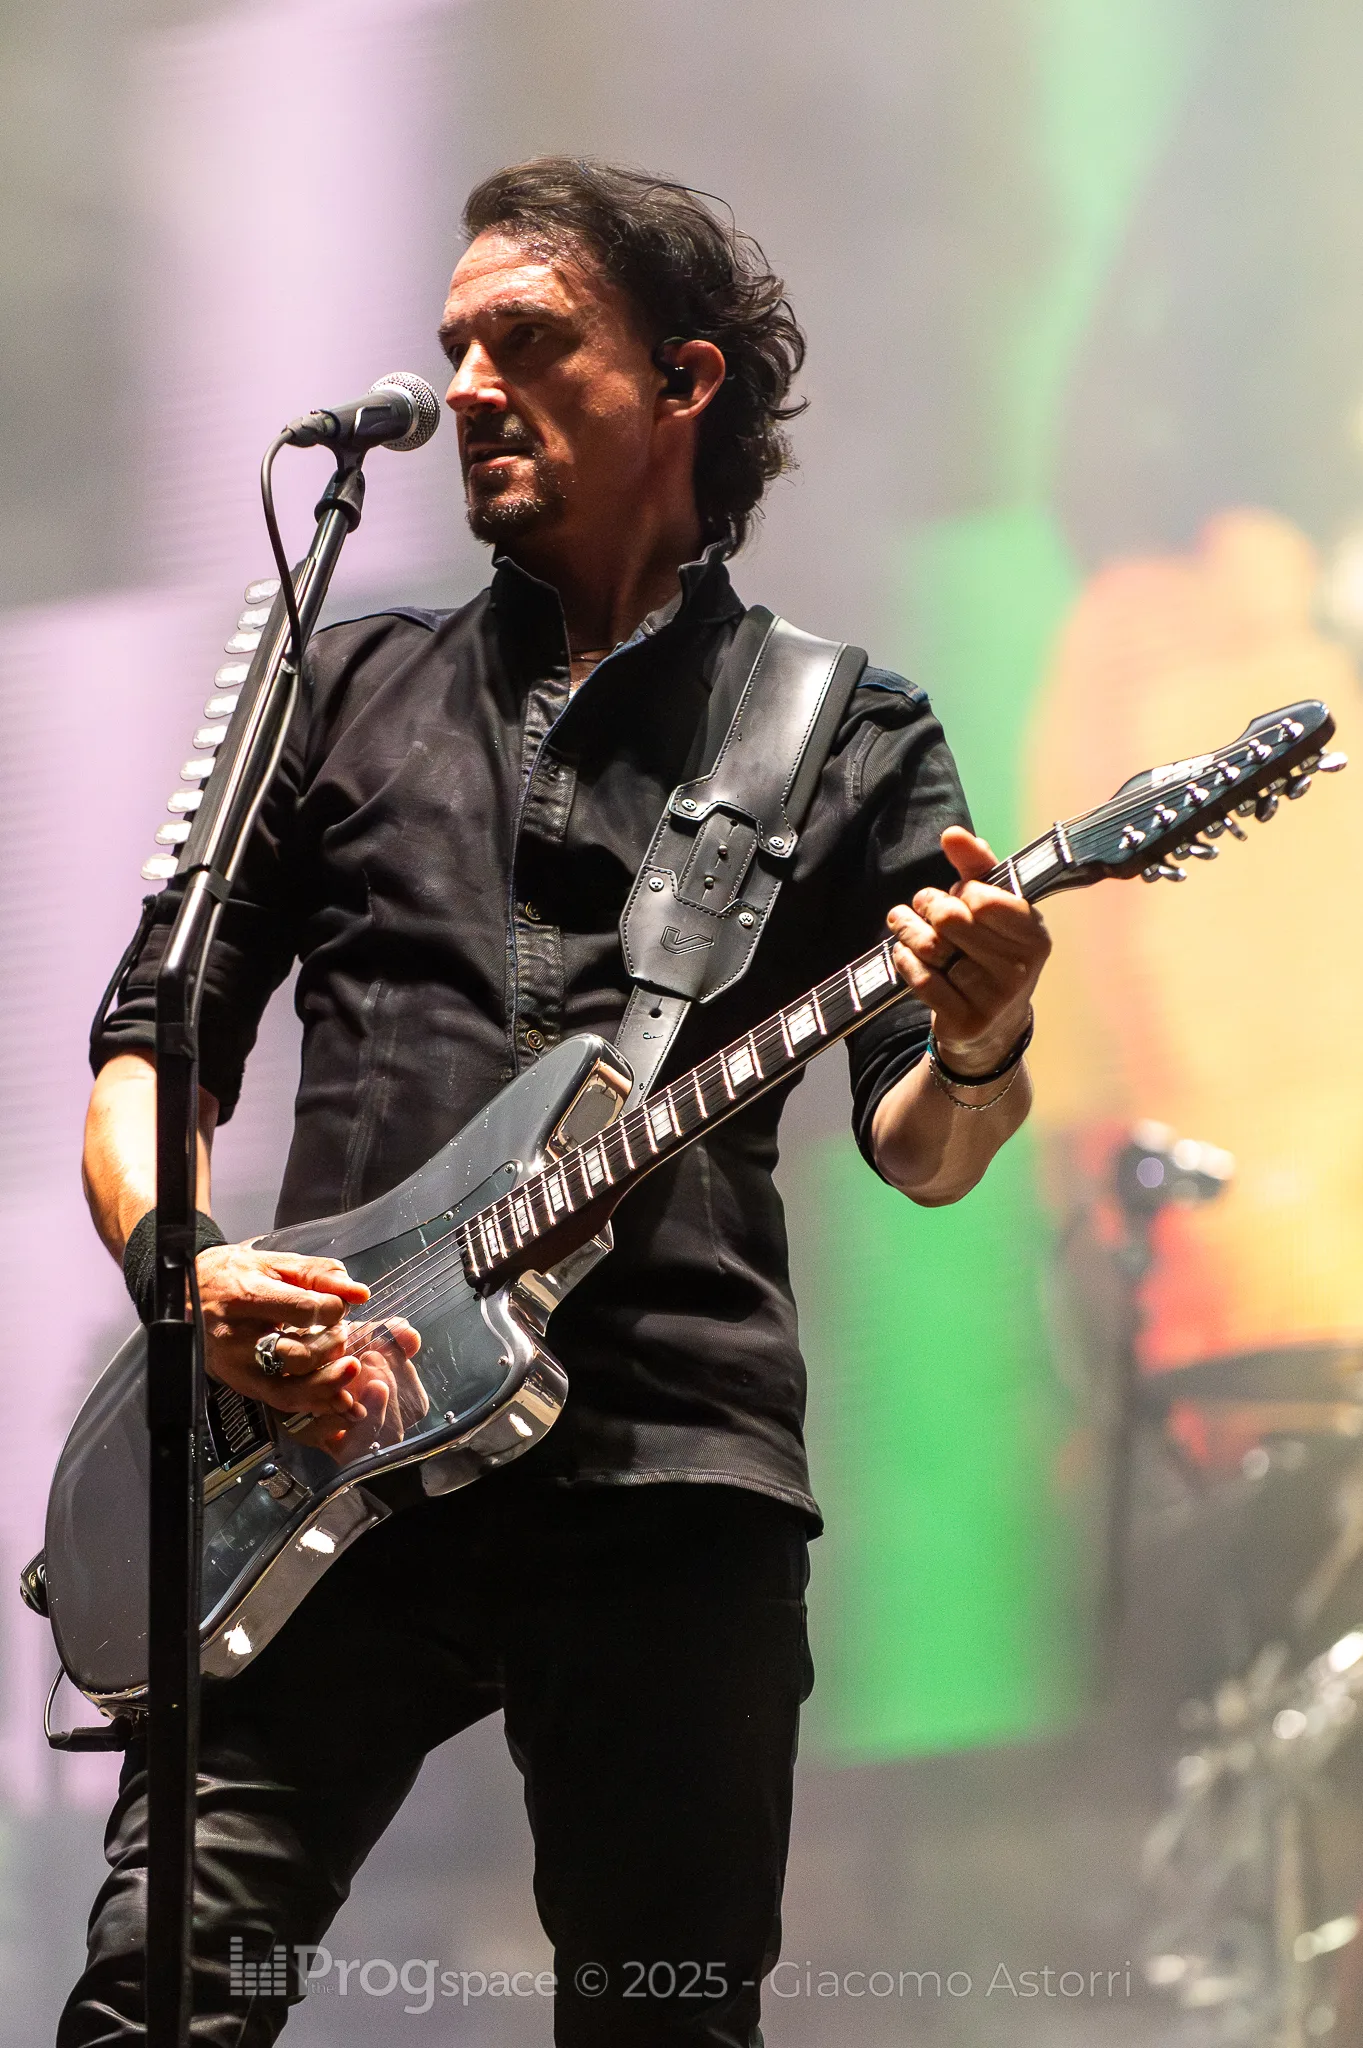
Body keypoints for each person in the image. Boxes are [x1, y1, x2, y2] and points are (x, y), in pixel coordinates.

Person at [61, 158, 1050, 2046]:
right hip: (321, 1436)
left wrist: (983, 1041)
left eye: (525, 340)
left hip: (666, 1467)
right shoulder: (340, 683)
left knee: (659, 2017)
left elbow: (919, 1150)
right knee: (159, 1996)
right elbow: (151, 1050)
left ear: (682, 380)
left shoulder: (846, 730)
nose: (465, 387)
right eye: (454, 347)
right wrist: (188, 1271)